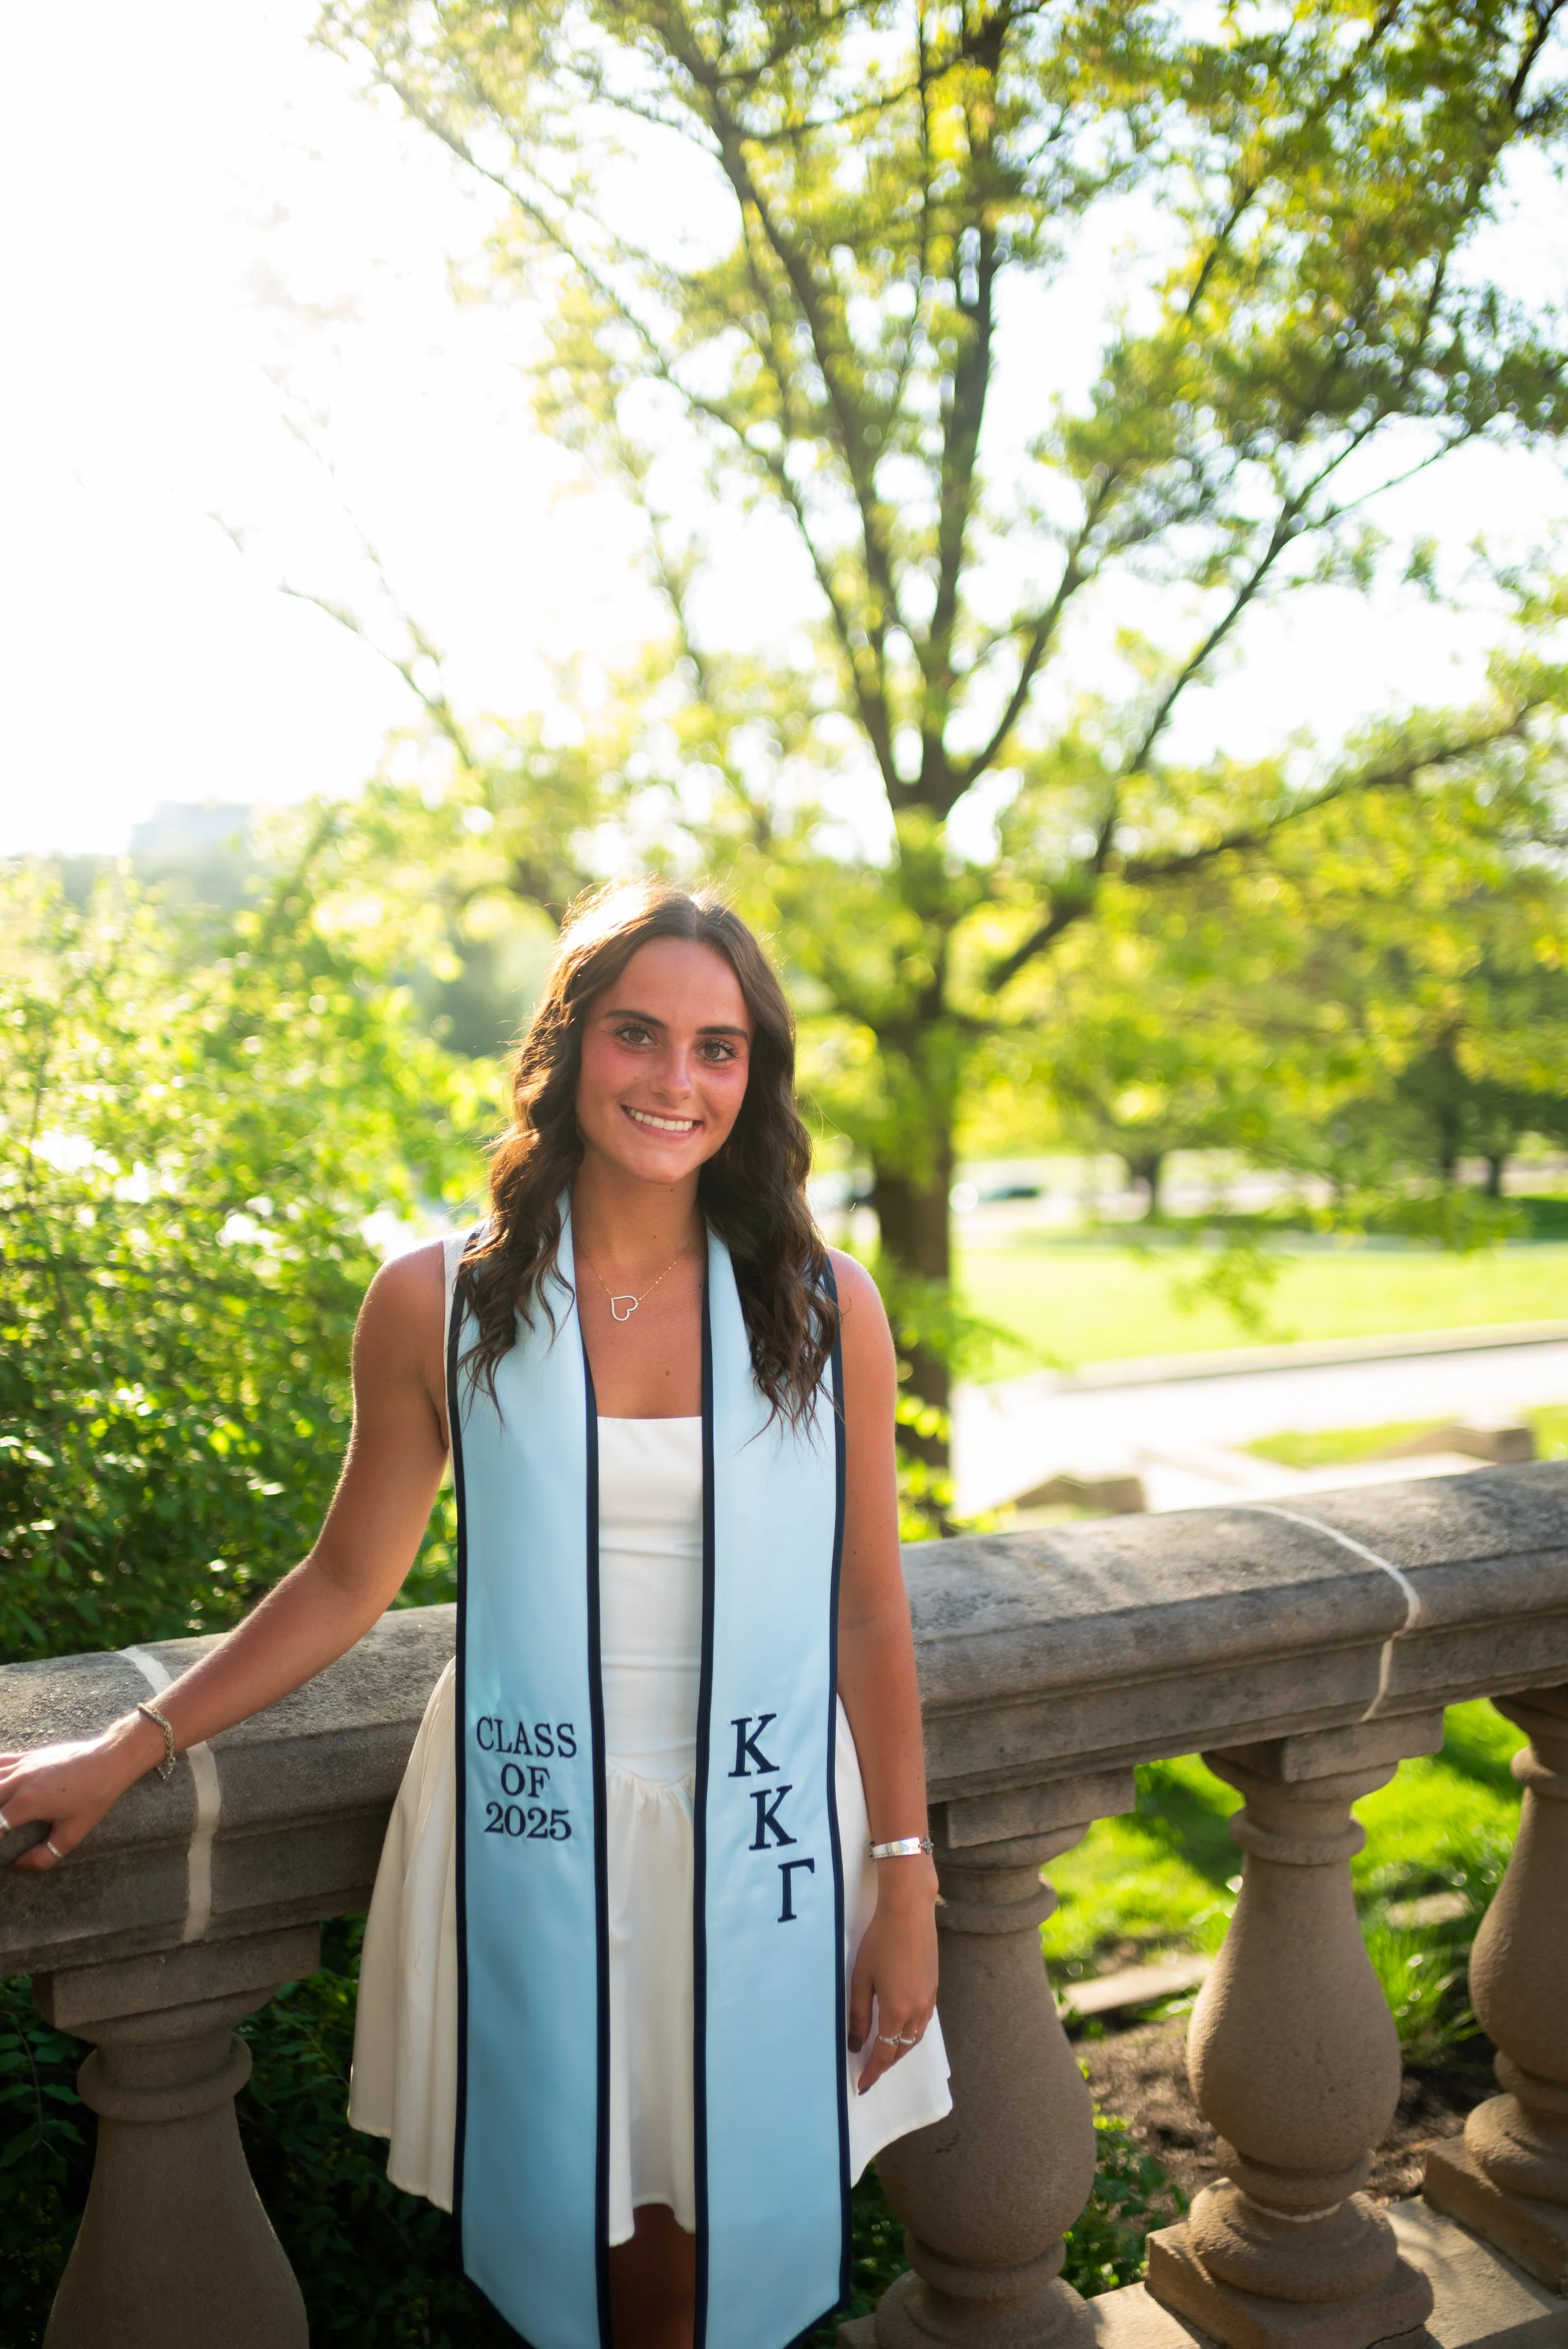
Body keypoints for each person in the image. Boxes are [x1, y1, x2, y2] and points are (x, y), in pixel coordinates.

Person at [0, 878, 949, 2349]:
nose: (675, 1081)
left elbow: (866, 1612)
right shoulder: (437, 1301)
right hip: (533, 1808)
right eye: (639, 1035)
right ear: (569, 1050)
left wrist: (904, 1877)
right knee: (597, 2238)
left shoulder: (820, 1306)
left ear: (752, 1079)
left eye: (718, 1047)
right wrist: (129, 1747)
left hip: (762, 1817)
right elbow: (341, 1582)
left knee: (724, 2244)